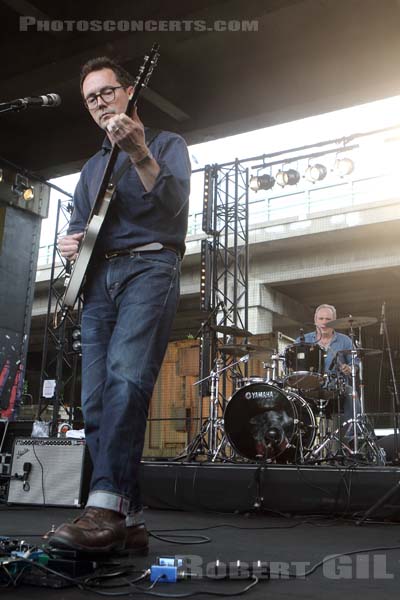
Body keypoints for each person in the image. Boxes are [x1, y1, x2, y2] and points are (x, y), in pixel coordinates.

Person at [50, 56, 191, 554]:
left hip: (150, 268)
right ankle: (129, 518)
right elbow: (82, 227)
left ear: (129, 91)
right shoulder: (89, 169)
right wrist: (72, 243)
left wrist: (139, 153)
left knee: (128, 379)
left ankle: (104, 506)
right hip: (98, 280)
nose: (99, 103)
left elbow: (173, 207)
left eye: (106, 92)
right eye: (90, 98)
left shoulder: (167, 144)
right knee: (93, 400)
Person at [297, 304, 359, 422]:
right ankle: (301, 437)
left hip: (337, 388)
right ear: (315, 320)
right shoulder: (302, 340)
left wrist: (350, 368)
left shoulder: (345, 340)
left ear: (334, 321)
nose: (324, 323)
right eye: (321, 319)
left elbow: (356, 362)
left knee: (352, 393)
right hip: (308, 388)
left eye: (328, 319)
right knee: (293, 400)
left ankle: (353, 436)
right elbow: (291, 365)